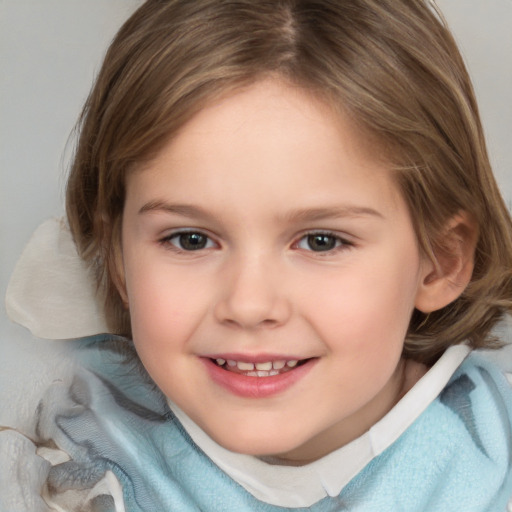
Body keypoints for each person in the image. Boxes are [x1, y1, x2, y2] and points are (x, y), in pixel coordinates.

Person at [2, 0, 512, 510]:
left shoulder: (490, 453)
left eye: (321, 241)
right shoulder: (68, 439)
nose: (248, 304)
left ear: (441, 261)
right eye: (190, 239)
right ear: (117, 259)